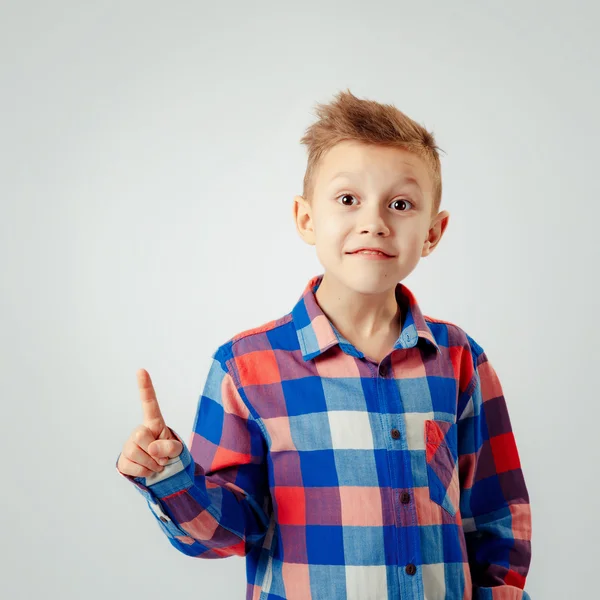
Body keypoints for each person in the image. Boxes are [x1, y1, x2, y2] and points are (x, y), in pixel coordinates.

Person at [116, 88, 532, 600]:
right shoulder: (245, 368)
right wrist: (170, 477)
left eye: (400, 204)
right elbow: (227, 536)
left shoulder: (460, 359)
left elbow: (496, 517)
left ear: (433, 232)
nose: (373, 222)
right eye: (348, 199)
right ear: (307, 218)